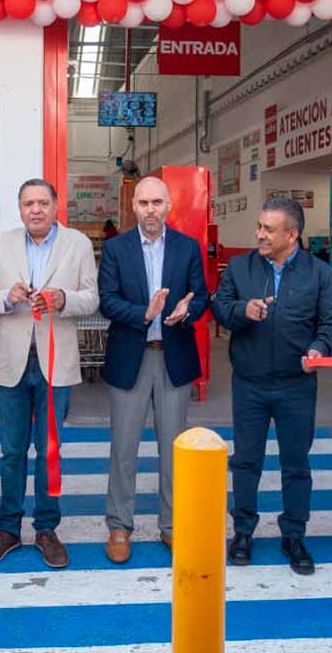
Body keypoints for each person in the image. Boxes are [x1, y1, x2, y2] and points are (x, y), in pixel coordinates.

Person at [214, 197, 332, 573]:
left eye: (268, 230)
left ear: (292, 234)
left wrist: (320, 348)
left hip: (296, 385)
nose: (259, 234)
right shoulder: (240, 268)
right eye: (259, 226)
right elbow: (220, 307)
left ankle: (294, 534)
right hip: (250, 384)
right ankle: (243, 530)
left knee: (296, 464)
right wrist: (243, 310)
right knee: (246, 461)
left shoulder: (318, 274)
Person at [0, 178, 99, 569]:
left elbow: (92, 298)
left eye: (43, 202)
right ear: (20, 208)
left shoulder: (77, 244)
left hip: (55, 360)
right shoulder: (3, 242)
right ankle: (8, 528)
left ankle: (46, 529)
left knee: (49, 451)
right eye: (28, 202)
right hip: (12, 360)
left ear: (55, 205)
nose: (36, 209)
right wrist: (5, 299)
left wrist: (64, 299)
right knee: (11, 451)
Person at [98, 176, 208, 564]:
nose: (150, 210)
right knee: (123, 448)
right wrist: (143, 314)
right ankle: (119, 525)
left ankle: (172, 526)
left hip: (173, 356)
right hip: (131, 355)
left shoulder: (187, 247)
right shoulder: (116, 249)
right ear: (133, 206)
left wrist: (186, 311)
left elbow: (201, 296)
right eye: (143, 202)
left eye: (157, 202)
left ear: (169, 204)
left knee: (173, 449)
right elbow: (107, 300)